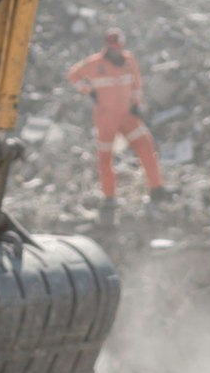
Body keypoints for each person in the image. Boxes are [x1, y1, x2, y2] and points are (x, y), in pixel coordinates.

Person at [67, 28, 166, 225]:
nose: (117, 52)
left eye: (119, 48)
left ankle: (157, 189)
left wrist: (137, 105)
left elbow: (136, 83)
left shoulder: (129, 60)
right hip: (106, 118)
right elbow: (73, 75)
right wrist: (88, 91)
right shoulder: (94, 63)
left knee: (146, 146)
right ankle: (109, 196)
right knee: (105, 157)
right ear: (107, 46)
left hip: (128, 116)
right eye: (113, 48)